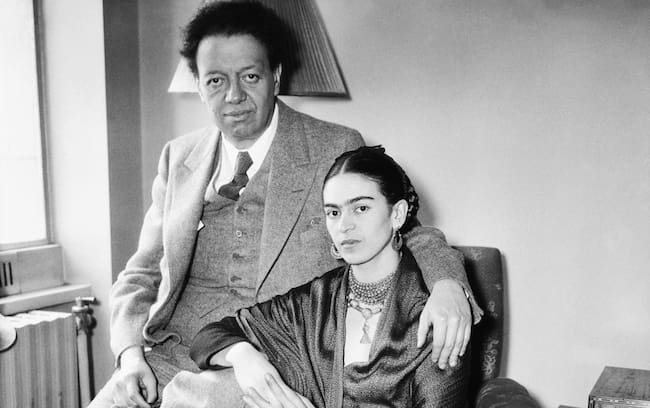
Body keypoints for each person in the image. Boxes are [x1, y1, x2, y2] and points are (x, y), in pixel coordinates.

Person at [90, 2, 481, 407]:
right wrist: (130, 356)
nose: (234, 96)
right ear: (199, 86)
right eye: (216, 81)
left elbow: (406, 231)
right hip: (172, 355)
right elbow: (141, 272)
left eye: (250, 76)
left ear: (275, 76)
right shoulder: (178, 157)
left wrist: (447, 284)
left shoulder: (333, 145)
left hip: (276, 360)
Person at [191, 146, 470, 408]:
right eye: (333, 212)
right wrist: (243, 356)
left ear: (397, 214)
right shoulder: (314, 301)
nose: (344, 225)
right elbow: (210, 336)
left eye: (361, 208)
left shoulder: (440, 315)